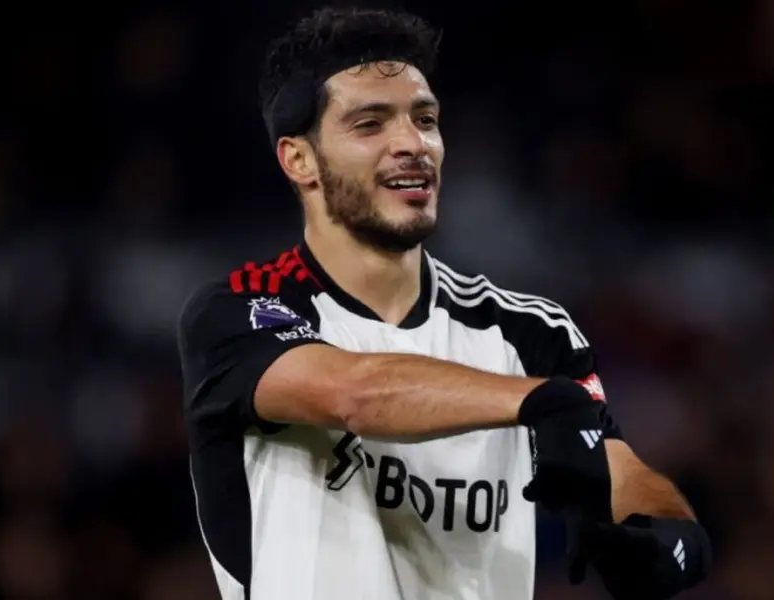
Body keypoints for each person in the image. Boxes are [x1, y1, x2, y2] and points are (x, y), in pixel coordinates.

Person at [176, 7, 710, 600]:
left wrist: (666, 537)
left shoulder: (528, 332)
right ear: (299, 160)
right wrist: (540, 402)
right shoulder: (242, 309)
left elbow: (621, 472)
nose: (413, 144)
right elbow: (356, 393)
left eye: (425, 119)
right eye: (370, 124)